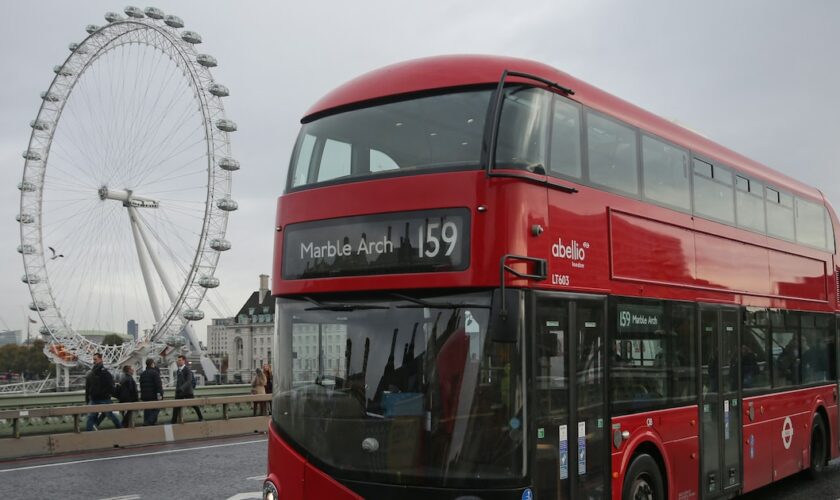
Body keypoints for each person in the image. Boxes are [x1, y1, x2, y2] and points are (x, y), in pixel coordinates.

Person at [85, 353, 121, 431]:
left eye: (95, 359)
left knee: (93, 416)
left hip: (100, 398)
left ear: (101, 359)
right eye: (93, 359)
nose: (94, 361)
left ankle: (89, 433)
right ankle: (120, 429)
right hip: (98, 398)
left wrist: (88, 399)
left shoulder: (100, 373)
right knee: (108, 415)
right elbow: (88, 387)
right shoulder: (95, 373)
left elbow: (110, 385)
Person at [171, 355, 203, 423]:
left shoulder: (187, 370)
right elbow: (178, 382)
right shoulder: (178, 370)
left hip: (187, 391)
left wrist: (181, 388)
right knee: (176, 406)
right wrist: (177, 390)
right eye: (178, 360)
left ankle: (201, 418)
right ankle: (173, 421)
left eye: (180, 360)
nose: (178, 361)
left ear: (184, 361)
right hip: (179, 392)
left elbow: (189, 381)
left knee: (194, 405)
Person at [139, 358, 164, 425]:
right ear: (152, 364)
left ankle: (147, 427)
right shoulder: (155, 373)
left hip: (145, 396)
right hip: (153, 396)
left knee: (147, 411)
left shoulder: (143, 374)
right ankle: (149, 422)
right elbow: (158, 386)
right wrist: (160, 396)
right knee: (156, 409)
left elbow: (141, 385)